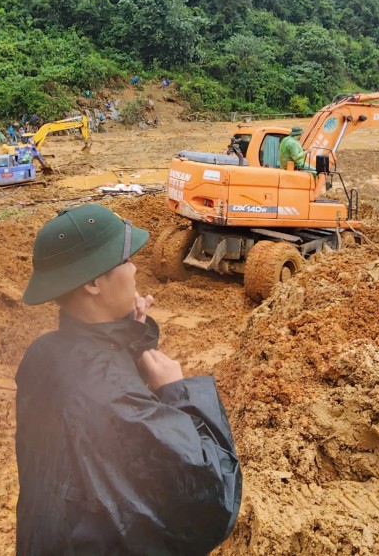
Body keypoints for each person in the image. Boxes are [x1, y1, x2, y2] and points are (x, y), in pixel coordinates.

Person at [15, 204, 241, 554]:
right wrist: (176, 390)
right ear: (92, 282)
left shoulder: (41, 354)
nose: (135, 267)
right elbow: (212, 496)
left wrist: (129, 335)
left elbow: (94, 374)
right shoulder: (113, 398)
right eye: (125, 260)